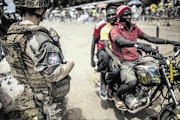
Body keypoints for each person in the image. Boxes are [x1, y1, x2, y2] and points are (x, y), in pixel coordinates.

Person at [1, 0, 74, 119]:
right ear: (40, 10)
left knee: (41, 114)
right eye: (45, 8)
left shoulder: (12, 32)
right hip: (49, 93)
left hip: (33, 89)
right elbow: (55, 75)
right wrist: (71, 64)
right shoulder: (38, 37)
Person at [109, 5, 180, 110]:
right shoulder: (115, 29)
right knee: (132, 83)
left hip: (138, 58)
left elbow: (149, 38)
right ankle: (117, 95)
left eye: (130, 14)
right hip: (125, 61)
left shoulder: (134, 27)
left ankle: (144, 93)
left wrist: (170, 42)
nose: (129, 17)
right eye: (126, 15)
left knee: (159, 69)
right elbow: (120, 41)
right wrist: (138, 45)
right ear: (119, 16)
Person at [100, 4, 121, 100]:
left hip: (122, 53)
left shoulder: (122, 26)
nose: (111, 17)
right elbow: (106, 47)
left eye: (113, 14)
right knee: (116, 71)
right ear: (106, 17)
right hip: (112, 54)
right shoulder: (104, 29)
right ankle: (108, 83)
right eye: (109, 15)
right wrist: (115, 58)